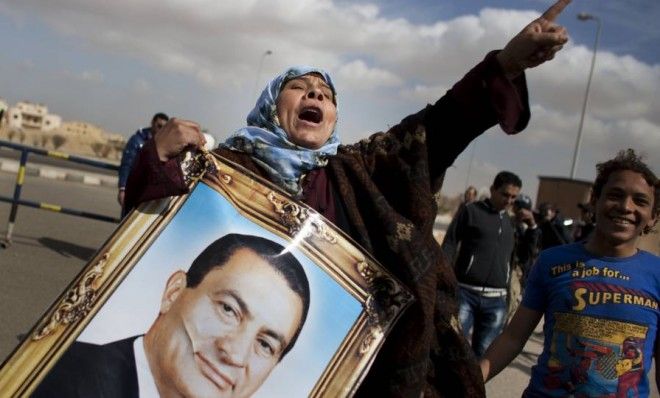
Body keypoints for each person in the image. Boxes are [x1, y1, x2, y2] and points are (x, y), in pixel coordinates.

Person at [123, 2, 570, 395]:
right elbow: (149, 241)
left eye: (326, 92)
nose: (315, 93)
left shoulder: (360, 171)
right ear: (270, 104)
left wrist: (506, 63)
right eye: (299, 87)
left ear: (334, 116)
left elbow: (435, 129)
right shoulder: (222, 170)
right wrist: (158, 159)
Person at [33, 233, 310, 398]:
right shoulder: (59, 378)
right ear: (173, 292)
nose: (235, 355)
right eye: (228, 310)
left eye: (265, 345)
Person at [480, 149, 659, 397]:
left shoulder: (656, 274)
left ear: (653, 217)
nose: (625, 207)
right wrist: (473, 378)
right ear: (594, 201)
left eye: (640, 201)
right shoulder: (552, 262)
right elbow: (512, 337)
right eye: (615, 195)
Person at [441, 171, 522, 357]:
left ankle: (471, 387)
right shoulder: (471, 211)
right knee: (452, 347)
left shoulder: (511, 222)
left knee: (483, 356)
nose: (509, 200)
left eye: (513, 197)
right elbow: (450, 243)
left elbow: (516, 256)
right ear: (493, 190)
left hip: (496, 300)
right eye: (505, 194)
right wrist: (444, 277)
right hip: (465, 294)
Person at [117, 112, 169, 215]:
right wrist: (122, 189)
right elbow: (127, 164)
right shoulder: (137, 140)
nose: (161, 129)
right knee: (127, 224)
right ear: (152, 123)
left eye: (164, 127)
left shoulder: (165, 143)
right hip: (133, 191)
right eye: (159, 126)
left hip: (152, 195)